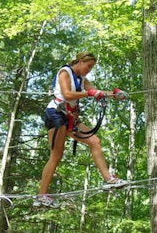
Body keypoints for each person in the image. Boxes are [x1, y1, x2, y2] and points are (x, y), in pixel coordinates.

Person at [34, 51, 129, 208]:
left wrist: (114, 94)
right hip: (56, 114)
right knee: (56, 155)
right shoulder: (65, 72)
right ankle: (41, 195)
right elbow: (67, 94)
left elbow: (95, 91)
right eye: (88, 66)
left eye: (91, 68)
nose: (89, 70)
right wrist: (89, 93)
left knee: (94, 141)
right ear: (79, 61)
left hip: (70, 116)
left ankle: (109, 180)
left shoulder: (82, 79)